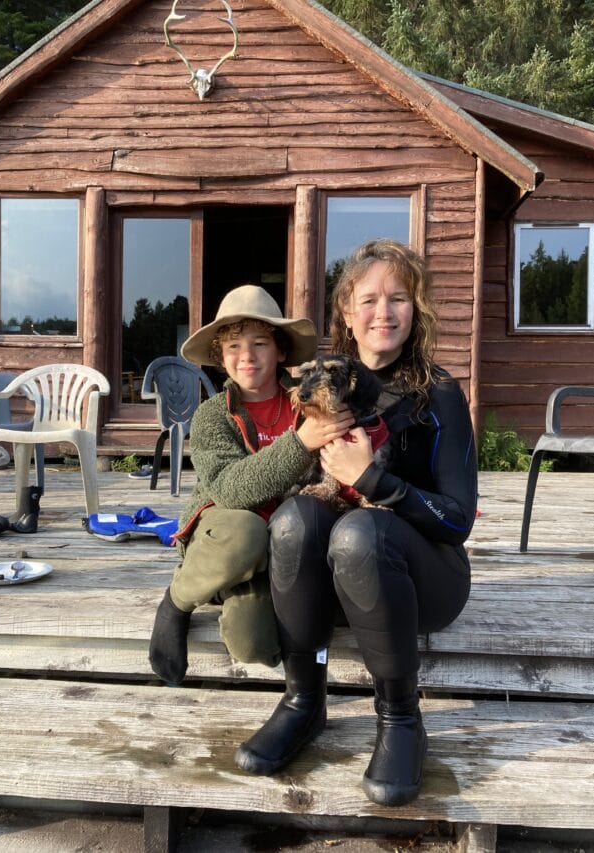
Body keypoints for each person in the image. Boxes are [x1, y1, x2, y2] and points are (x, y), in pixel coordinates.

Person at [234, 240, 478, 807]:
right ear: (346, 311)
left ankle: (401, 718)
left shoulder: (439, 393)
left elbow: (457, 521)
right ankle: (303, 699)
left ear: (416, 309)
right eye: (368, 299)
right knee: (294, 519)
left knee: (359, 532)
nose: (383, 313)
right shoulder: (324, 386)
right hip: (340, 585)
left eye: (399, 298)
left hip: (426, 580)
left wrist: (372, 479)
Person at [149, 284, 355, 683]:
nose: (247, 356)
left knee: (254, 644)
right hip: (228, 531)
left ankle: (235, 582)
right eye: (233, 346)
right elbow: (230, 490)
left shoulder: (309, 402)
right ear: (220, 357)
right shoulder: (213, 415)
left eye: (260, 343)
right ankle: (177, 601)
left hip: (285, 542)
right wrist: (301, 443)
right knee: (245, 531)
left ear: (280, 351)